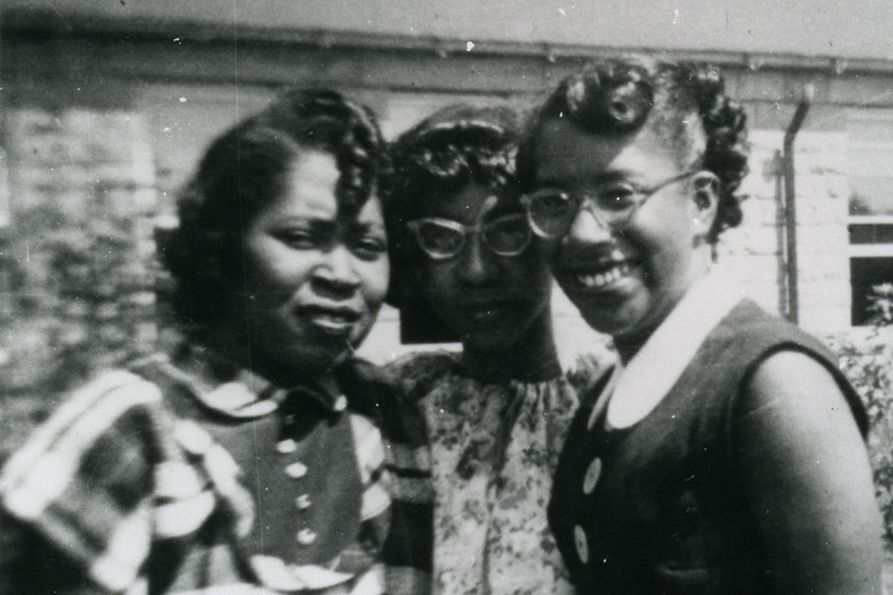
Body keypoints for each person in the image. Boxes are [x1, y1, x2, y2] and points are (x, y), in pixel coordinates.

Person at [0, 90, 397, 594]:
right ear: (222, 247)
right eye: (302, 237)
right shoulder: (134, 425)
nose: (343, 274)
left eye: (366, 246)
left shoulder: (380, 413)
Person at [516, 57, 883, 594]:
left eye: (618, 196)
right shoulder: (610, 389)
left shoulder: (777, 387)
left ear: (702, 203)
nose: (584, 233)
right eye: (554, 202)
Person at [383, 105, 581, 595]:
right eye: (440, 239)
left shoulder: (605, 406)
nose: (476, 270)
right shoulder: (395, 402)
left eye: (509, 231)